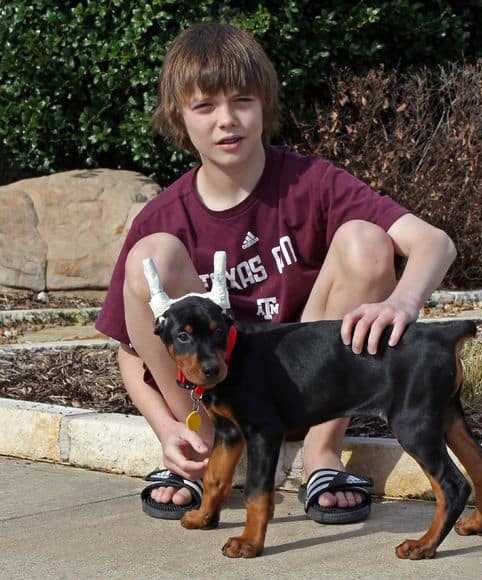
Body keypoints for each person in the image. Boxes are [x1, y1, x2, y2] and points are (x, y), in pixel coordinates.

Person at [96, 22, 456, 524]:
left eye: (242, 100)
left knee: (367, 242)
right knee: (150, 256)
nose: (227, 120)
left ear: (264, 102)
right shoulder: (164, 216)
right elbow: (129, 349)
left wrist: (403, 302)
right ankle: (196, 451)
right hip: (215, 400)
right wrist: (164, 428)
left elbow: (434, 243)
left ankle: (321, 455)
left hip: (308, 388)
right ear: (179, 117)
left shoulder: (311, 182)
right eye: (205, 106)